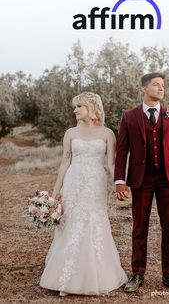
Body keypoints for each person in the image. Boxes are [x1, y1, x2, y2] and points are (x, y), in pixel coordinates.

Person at [40, 92, 127, 296]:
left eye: (79, 106)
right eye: (75, 106)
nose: (75, 110)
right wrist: (56, 190)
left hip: (95, 183)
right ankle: (66, 276)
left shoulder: (107, 133)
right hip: (73, 182)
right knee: (71, 223)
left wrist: (119, 184)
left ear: (91, 107)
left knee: (93, 222)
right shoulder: (70, 132)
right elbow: (65, 161)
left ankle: (94, 275)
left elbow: (112, 164)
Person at [114, 72, 169, 293]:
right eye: (156, 85)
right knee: (139, 227)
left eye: (162, 85)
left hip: (168, 180)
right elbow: (121, 151)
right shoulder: (129, 116)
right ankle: (137, 273)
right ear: (144, 89)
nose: (160, 88)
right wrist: (120, 180)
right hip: (141, 180)